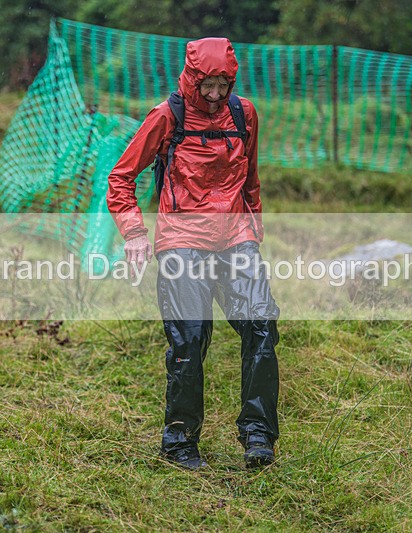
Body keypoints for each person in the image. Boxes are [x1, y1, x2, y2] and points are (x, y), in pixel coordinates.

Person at [107, 38, 280, 470]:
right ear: (192, 79)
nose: (216, 95)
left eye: (224, 85)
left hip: (235, 236)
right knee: (189, 341)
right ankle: (179, 442)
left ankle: (258, 434)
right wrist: (134, 234)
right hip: (182, 240)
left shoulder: (245, 114)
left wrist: (253, 233)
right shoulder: (168, 116)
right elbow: (121, 179)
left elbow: (251, 179)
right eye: (209, 86)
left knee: (261, 326)